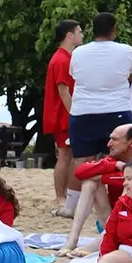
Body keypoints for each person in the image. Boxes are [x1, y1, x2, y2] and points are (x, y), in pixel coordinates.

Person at [55, 156, 132, 263]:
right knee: (108, 259)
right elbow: (110, 235)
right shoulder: (122, 204)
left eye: (129, 179)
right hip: (128, 252)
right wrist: (102, 259)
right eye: (124, 179)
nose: (124, 183)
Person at [68, 13, 132, 184]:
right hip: (117, 111)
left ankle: (72, 205)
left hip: (83, 112)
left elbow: (74, 75)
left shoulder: (78, 52)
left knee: (81, 160)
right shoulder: (126, 50)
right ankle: (120, 198)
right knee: (119, 159)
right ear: (113, 29)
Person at [58, 124, 132, 255]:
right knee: (89, 182)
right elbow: (80, 172)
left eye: (114, 139)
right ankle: (72, 240)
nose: (109, 144)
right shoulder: (112, 159)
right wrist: (116, 165)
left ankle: (96, 244)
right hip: (111, 218)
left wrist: (105, 176)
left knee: (130, 188)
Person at [45, 20, 83, 214]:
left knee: (69, 155)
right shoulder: (62, 60)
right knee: (65, 155)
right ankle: (62, 198)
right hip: (63, 115)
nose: (82, 35)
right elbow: (64, 91)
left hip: (64, 114)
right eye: (79, 31)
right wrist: (74, 115)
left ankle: (67, 197)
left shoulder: (66, 57)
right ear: (70, 35)